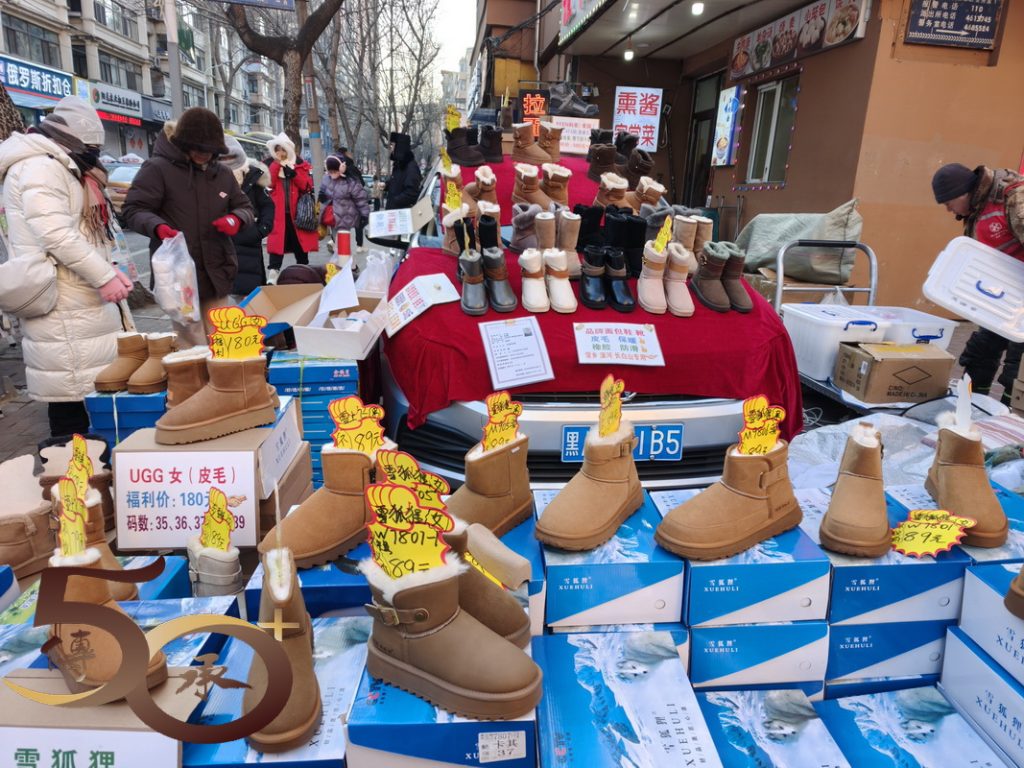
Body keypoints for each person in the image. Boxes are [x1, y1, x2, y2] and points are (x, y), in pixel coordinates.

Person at [0, 96, 132, 437]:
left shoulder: (59, 164)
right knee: (70, 394)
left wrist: (108, 268)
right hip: (63, 298)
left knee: (80, 388)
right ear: (70, 140)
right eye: (90, 149)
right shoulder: (40, 168)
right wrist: (104, 276)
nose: (94, 156)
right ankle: (70, 465)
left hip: (76, 294)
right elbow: (56, 235)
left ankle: (83, 460)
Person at [124, 107, 254, 346]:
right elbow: (134, 209)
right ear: (183, 144)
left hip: (217, 270)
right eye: (197, 149)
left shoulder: (223, 174)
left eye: (209, 150)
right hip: (178, 274)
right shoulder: (158, 169)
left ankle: (222, 371)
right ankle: (193, 370)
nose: (203, 155)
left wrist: (236, 219)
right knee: (191, 341)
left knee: (222, 336)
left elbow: (245, 207)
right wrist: (157, 227)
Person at [933, 162, 1024, 403]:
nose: (948, 209)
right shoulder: (977, 208)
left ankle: (1011, 418)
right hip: (1004, 296)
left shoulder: (1014, 199)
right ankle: (971, 408)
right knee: (979, 354)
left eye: (948, 203)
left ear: (964, 193)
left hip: (1020, 297)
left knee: (1017, 368)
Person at [221, 137, 274, 297]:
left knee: (250, 294)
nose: (228, 161)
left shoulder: (252, 177)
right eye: (224, 158)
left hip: (250, 241)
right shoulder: (212, 178)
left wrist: (261, 230)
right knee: (227, 292)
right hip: (224, 241)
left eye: (232, 156)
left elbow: (267, 206)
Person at [265, 132, 320, 284]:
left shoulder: (301, 165)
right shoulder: (271, 165)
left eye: (283, 149)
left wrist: (294, 174)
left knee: (300, 245)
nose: (280, 153)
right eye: (277, 149)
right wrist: (277, 164)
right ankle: (273, 274)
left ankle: (303, 271)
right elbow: (269, 183)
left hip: (298, 214)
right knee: (277, 244)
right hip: (279, 214)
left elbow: (306, 186)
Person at [320, 154, 370, 255]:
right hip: (333, 217)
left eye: (335, 171)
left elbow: (360, 198)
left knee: (343, 244)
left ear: (341, 168)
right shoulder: (326, 179)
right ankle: (344, 259)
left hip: (346, 216)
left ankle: (346, 261)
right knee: (338, 243)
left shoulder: (350, 181)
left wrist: (365, 214)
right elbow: (322, 194)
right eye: (330, 171)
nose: (332, 174)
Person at [385, 131, 422, 210]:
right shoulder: (399, 164)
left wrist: (395, 201)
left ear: (399, 147)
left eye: (392, 145)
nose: (390, 148)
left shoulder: (411, 167)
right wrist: (386, 185)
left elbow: (411, 193)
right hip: (394, 211)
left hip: (401, 213)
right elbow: (397, 184)